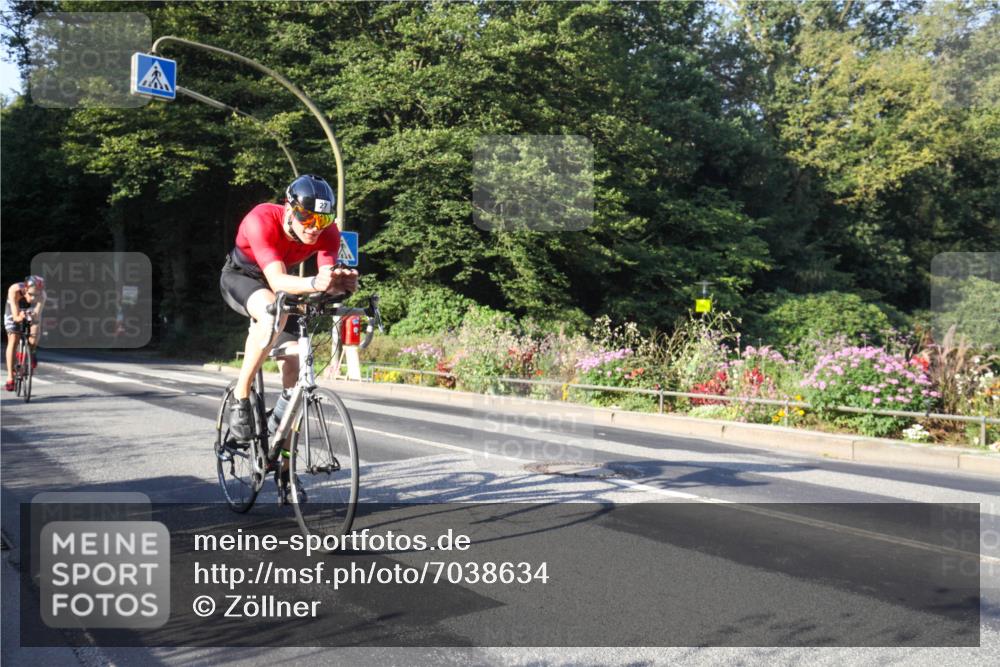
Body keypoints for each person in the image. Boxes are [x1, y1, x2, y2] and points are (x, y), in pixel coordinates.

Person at [219, 175, 358, 495]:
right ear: (288, 209)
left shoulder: (328, 233)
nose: (314, 226)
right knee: (273, 313)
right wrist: (315, 285)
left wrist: (341, 287)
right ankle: (241, 396)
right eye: (306, 217)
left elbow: (324, 279)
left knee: (296, 365)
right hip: (244, 278)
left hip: (287, 288)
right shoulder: (261, 220)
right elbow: (279, 281)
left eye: (322, 219)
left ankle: (283, 465)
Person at [5, 275, 46, 391]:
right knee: (13, 338)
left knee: (34, 333)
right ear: (26, 289)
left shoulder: (42, 296)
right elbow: (16, 317)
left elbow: (37, 316)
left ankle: (31, 351)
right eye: (31, 294)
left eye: (36, 295)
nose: (33, 298)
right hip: (15, 307)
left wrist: (33, 317)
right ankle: (10, 377)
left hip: (30, 309)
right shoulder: (15, 290)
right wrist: (20, 317)